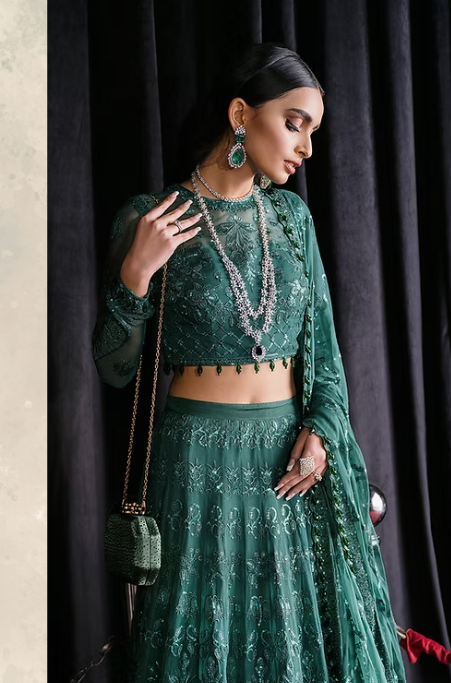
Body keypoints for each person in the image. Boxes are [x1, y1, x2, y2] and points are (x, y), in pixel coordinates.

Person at [92, 43, 407, 683]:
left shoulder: (292, 218)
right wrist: (135, 275)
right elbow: (114, 370)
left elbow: (326, 353)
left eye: (313, 131)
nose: (306, 148)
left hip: (288, 466)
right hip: (195, 467)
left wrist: (321, 432)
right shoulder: (153, 218)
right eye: (295, 124)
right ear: (241, 114)